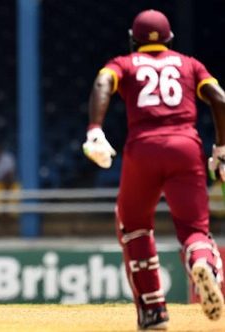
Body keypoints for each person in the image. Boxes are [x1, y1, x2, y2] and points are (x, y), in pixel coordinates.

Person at [82, 9, 224, 330]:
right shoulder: (190, 64)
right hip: (186, 147)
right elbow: (219, 98)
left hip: (143, 149)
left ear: (133, 40)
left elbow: (103, 82)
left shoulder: (124, 63)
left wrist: (95, 129)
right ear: (170, 39)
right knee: (193, 229)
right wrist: (221, 149)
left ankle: (153, 312)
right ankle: (204, 264)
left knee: (133, 227)